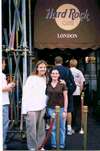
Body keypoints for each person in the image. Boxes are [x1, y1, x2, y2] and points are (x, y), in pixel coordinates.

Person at [22, 60, 48, 151]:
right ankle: (32, 147)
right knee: (31, 130)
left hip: (42, 107)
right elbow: (25, 94)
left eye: (44, 67)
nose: (43, 69)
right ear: (37, 68)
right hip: (31, 108)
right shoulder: (31, 78)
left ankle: (40, 146)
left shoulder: (45, 78)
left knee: (41, 129)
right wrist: (24, 110)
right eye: (41, 67)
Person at [46, 67, 68, 149]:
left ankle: (61, 145)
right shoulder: (47, 84)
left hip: (61, 108)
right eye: (53, 73)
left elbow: (66, 97)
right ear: (50, 75)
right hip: (51, 108)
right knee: (53, 127)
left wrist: (65, 110)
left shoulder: (62, 84)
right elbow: (46, 97)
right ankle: (54, 145)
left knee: (62, 127)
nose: (54, 75)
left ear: (59, 75)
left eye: (56, 73)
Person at [54, 56, 76, 135]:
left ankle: (56, 129)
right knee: (69, 110)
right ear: (62, 62)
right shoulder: (67, 70)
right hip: (66, 92)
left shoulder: (52, 70)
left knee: (55, 110)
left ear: (55, 62)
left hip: (54, 94)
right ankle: (69, 128)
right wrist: (69, 92)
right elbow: (73, 84)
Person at [2, 57, 15, 149]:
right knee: (3, 125)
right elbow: (3, 88)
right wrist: (11, 85)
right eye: (3, 63)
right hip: (2, 103)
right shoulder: (1, 75)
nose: (5, 64)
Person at [69, 59, 85, 133]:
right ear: (76, 64)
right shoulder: (79, 72)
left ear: (70, 64)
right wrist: (80, 91)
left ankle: (69, 123)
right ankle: (74, 123)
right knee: (75, 108)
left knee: (69, 107)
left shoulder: (68, 71)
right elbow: (82, 83)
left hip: (69, 91)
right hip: (77, 91)